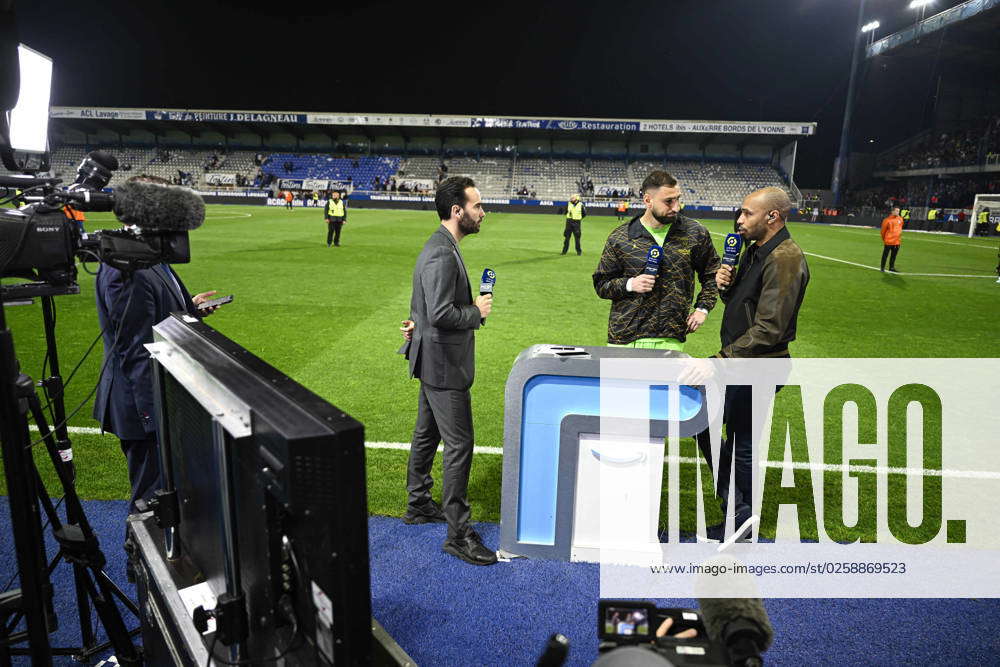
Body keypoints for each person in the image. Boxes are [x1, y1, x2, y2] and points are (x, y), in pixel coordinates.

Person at [92, 177, 224, 513]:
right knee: (150, 504)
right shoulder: (128, 267)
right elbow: (136, 349)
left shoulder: (148, 252)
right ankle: (140, 563)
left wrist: (189, 309)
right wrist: (155, 419)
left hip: (157, 402)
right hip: (143, 410)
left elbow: (155, 317)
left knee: (166, 497)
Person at [398, 176, 497, 566]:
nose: (482, 212)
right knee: (460, 444)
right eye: (477, 206)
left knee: (427, 433)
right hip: (444, 365)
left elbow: (422, 306)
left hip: (431, 359)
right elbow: (440, 313)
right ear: (458, 211)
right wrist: (476, 312)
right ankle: (458, 534)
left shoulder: (439, 246)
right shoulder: (441, 252)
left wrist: (414, 325)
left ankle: (419, 503)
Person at [701, 186, 810, 541]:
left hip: (760, 363)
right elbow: (742, 305)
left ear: (772, 217)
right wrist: (724, 286)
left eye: (747, 213)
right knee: (712, 427)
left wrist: (720, 360)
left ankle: (741, 520)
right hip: (741, 361)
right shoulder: (755, 251)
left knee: (741, 441)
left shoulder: (785, 258)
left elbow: (769, 328)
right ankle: (737, 511)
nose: (739, 219)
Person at [592, 170, 720, 351]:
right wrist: (630, 284)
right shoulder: (621, 237)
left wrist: (703, 309)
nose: (676, 207)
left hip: (670, 339)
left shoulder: (694, 233)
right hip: (623, 339)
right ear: (647, 200)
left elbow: (712, 273)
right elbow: (601, 284)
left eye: (678, 199)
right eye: (669, 201)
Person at [880, 206, 904, 272]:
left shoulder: (900, 219)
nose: (898, 212)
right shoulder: (887, 220)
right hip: (889, 241)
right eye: (896, 211)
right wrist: (884, 239)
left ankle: (891, 267)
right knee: (885, 255)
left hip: (897, 242)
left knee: (894, 256)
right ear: (892, 211)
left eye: (898, 211)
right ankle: (882, 267)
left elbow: (900, 229)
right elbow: (883, 231)